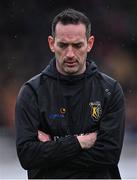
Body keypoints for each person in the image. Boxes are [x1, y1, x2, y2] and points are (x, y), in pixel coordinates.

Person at [15, 8, 125, 179]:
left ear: (90, 43)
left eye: (77, 45)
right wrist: (80, 142)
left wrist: (53, 147)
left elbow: (109, 155)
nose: (70, 54)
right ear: (52, 44)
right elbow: (27, 156)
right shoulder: (32, 92)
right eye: (63, 45)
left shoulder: (109, 90)